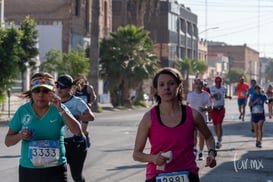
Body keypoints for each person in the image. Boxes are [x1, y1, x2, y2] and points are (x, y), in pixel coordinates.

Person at [133, 67, 217, 182]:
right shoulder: (149, 118)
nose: (166, 87)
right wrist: (153, 158)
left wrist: (211, 153)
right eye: (161, 85)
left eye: (171, 83)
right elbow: (136, 154)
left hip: (188, 174)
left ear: (179, 86)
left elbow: (208, 137)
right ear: (156, 90)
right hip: (157, 176)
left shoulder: (193, 115)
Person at [5, 72, 82, 182]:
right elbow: (8, 142)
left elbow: (77, 131)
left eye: (45, 91)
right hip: (29, 170)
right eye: (37, 90)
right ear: (32, 93)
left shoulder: (59, 109)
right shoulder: (23, 111)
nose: (41, 95)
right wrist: (21, 135)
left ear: (52, 93)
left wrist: (61, 109)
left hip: (56, 170)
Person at [56, 74, 95, 182]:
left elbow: (91, 117)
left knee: (76, 176)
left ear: (69, 88)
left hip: (76, 143)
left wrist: (77, 116)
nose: (59, 89)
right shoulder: (53, 102)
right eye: (57, 85)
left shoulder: (76, 102)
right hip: (59, 143)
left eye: (62, 87)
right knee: (57, 175)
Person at [187, 78, 212, 161]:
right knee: (193, 137)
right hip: (192, 118)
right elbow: (187, 105)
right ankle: (194, 149)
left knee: (201, 137)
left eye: (200, 84)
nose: (198, 85)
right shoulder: (190, 95)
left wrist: (204, 109)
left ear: (202, 85)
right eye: (197, 83)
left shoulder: (206, 95)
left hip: (202, 119)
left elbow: (210, 107)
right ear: (194, 84)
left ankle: (201, 152)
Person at [208, 76, 231, 149]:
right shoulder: (211, 88)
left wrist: (228, 97)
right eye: (217, 82)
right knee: (215, 125)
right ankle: (218, 138)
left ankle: (219, 141)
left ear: (221, 82)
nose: (218, 84)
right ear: (215, 82)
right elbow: (208, 97)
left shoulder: (224, 88)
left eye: (219, 82)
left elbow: (225, 96)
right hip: (214, 109)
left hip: (221, 108)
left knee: (219, 123)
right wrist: (212, 96)